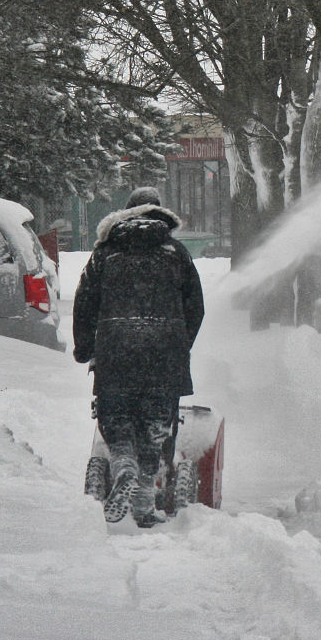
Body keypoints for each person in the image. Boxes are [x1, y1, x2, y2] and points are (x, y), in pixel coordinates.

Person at [73, 187, 205, 527]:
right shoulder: (176, 253)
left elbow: (84, 302)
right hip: (165, 356)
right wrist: (179, 343)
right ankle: (144, 506)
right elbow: (195, 307)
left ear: (126, 214)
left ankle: (124, 466)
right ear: (160, 213)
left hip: (116, 352)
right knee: (155, 431)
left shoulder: (105, 253)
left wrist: (86, 348)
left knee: (116, 422)